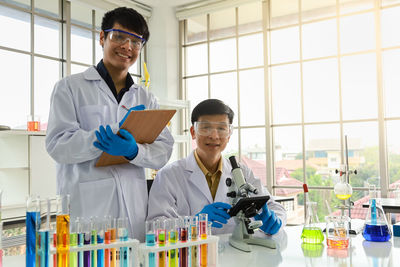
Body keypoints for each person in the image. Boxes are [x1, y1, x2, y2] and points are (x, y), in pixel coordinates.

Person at [45, 7, 174, 242]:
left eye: (136, 41)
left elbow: (163, 150)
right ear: (102, 37)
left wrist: (135, 151)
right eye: (119, 37)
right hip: (87, 211)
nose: (127, 47)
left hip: (134, 212)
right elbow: (57, 146)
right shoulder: (70, 87)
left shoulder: (145, 97)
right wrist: (102, 138)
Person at [147, 99, 286, 235]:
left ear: (229, 134)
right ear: (193, 132)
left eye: (221, 128)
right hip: (191, 254)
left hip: (235, 253)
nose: (214, 136)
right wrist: (194, 223)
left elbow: (275, 208)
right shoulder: (169, 175)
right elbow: (155, 226)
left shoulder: (242, 172)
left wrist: (275, 221)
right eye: (206, 128)